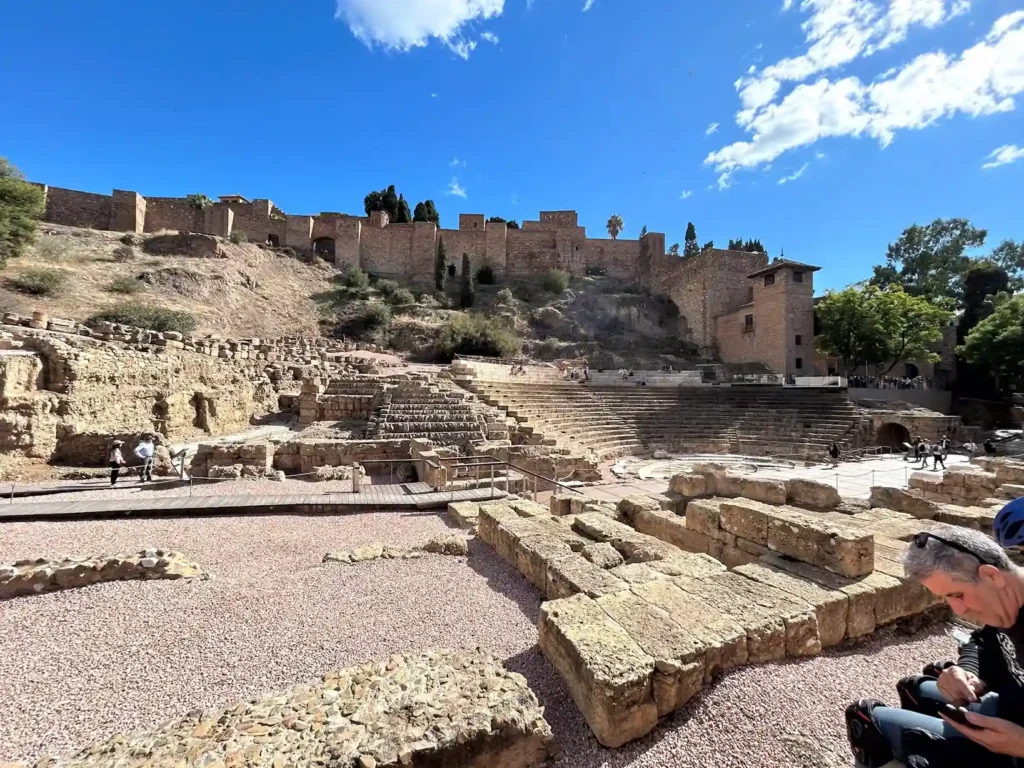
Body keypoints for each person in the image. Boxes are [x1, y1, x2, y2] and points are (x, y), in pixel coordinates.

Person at [846, 526, 1024, 767]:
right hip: (1006, 713)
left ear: (991, 575)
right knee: (910, 689)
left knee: (865, 719)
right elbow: (983, 640)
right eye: (947, 598)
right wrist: (969, 670)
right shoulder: (1006, 604)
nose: (958, 610)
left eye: (958, 595)